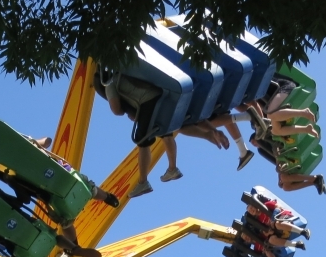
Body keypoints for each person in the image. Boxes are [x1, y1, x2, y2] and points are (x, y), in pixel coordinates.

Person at [93, 67, 229, 197]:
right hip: (162, 95)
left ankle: (143, 182)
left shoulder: (108, 80)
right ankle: (178, 163)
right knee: (173, 127)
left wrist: (111, 93)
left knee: (143, 141)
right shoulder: (126, 70)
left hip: (148, 102)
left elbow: (117, 110)